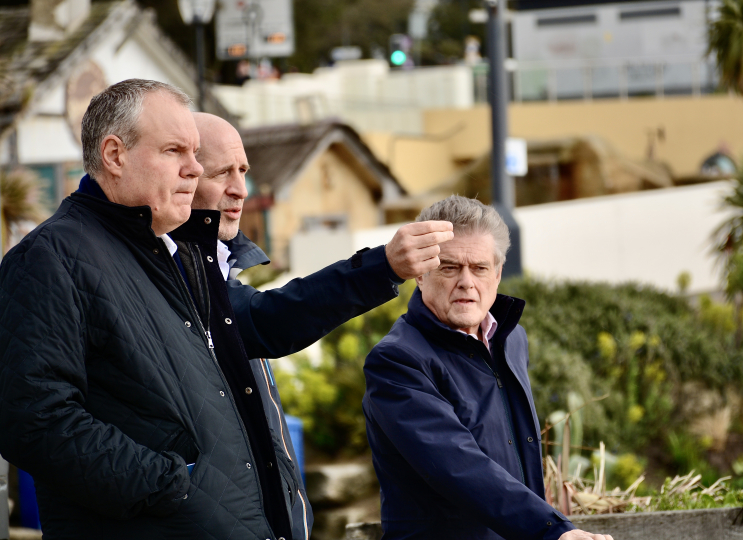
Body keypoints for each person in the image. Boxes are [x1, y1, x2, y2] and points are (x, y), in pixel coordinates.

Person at [0, 79, 447, 540]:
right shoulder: (50, 259)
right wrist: (171, 484)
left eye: (197, 156)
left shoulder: (177, 255)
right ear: (114, 156)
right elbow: (32, 420)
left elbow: (265, 322)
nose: (194, 170)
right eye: (176, 151)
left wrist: (381, 267)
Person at [189, 112, 455, 539]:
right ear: (181, 175)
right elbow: (268, 319)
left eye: (243, 172)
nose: (240, 189)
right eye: (222, 173)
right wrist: (381, 266)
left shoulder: (219, 265)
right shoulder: (177, 277)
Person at [362, 196, 613, 540]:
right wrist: (552, 530)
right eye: (449, 267)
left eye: (479, 268)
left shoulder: (511, 339)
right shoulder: (396, 361)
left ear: (496, 275)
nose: (467, 281)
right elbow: (458, 466)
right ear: (420, 275)